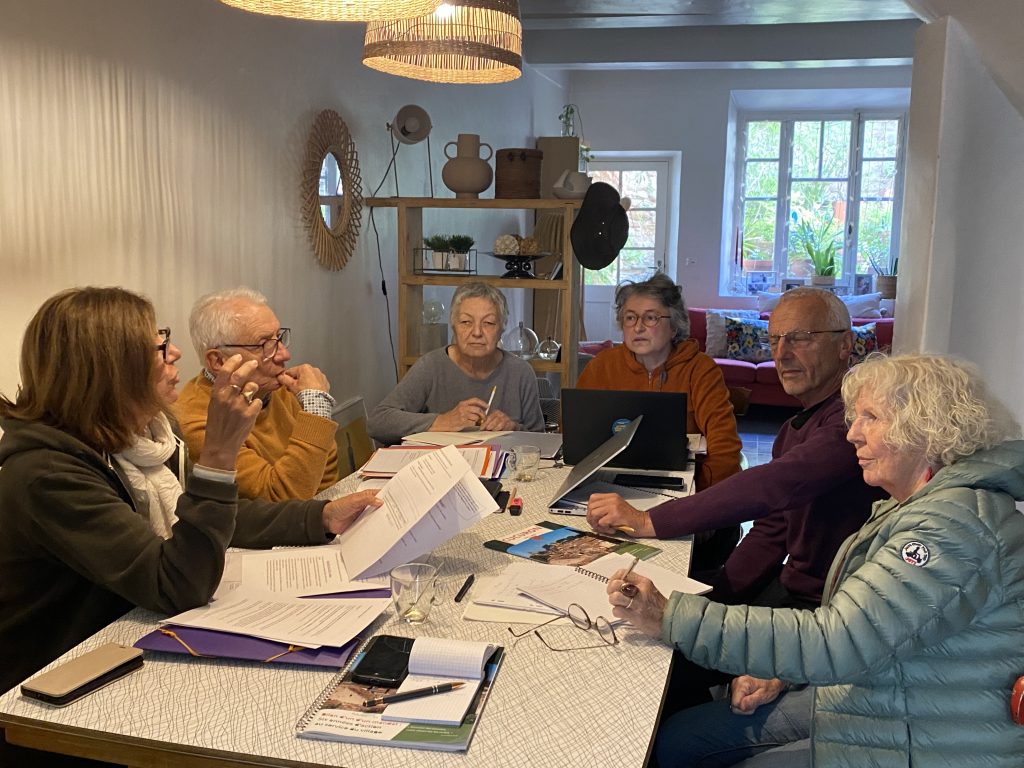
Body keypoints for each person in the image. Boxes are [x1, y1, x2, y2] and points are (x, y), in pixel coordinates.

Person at [609, 353, 1024, 768]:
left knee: (687, 748)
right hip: (886, 688)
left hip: (923, 735)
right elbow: (876, 632)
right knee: (679, 739)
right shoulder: (916, 506)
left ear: (925, 428)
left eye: (871, 418)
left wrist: (669, 616)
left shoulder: (951, 528)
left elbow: (839, 640)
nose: (853, 434)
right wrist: (785, 671)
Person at [0, 287, 382, 699]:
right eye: (159, 347)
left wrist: (320, 517)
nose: (177, 352)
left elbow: (211, 517)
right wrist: (218, 455)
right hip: (54, 684)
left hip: (128, 640)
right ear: (111, 369)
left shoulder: (142, 441)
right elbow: (176, 584)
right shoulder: (48, 474)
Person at [587, 287, 884, 711]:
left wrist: (650, 521)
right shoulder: (797, 427)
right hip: (790, 592)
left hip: (822, 612)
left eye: (800, 338)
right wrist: (716, 595)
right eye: (775, 339)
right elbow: (772, 529)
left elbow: (773, 485)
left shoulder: (852, 424)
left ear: (845, 345)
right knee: (654, 636)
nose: (782, 353)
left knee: (653, 666)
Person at [577, 273, 742, 491]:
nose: (638, 327)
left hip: (684, 488)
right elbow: (574, 434)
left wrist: (696, 495)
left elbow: (725, 450)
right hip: (609, 485)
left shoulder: (701, 369)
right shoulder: (602, 366)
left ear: (674, 326)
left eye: (651, 317)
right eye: (630, 318)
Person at [176, 287, 340, 501]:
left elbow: (327, 464)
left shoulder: (272, 387)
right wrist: (317, 409)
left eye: (278, 337)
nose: (284, 354)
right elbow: (279, 499)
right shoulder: (198, 422)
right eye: (264, 345)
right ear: (219, 360)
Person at [368, 282, 545, 445]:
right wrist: (442, 421)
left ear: (502, 328)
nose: (477, 332)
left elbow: (541, 441)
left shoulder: (521, 372)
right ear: (454, 326)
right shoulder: (431, 367)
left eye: (488, 323)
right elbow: (377, 423)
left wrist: (514, 428)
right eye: (466, 322)